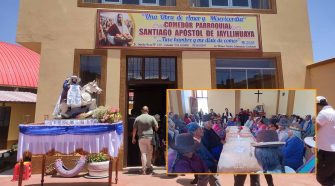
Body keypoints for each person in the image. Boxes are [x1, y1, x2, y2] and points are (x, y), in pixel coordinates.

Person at [132, 106, 158, 175]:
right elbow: (156, 127)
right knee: (150, 153)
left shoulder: (138, 118)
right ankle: (149, 166)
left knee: (143, 153)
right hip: (150, 138)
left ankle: (144, 170)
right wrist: (155, 128)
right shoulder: (152, 117)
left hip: (141, 138)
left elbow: (134, 129)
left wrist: (133, 138)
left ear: (141, 110)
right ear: (148, 110)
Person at [315, 96, 335, 186]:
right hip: (332, 151)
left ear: (317, 105)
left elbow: (316, 128)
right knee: (331, 177)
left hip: (327, 152)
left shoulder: (323, 113)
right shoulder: (333, 112)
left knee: (322, 178)